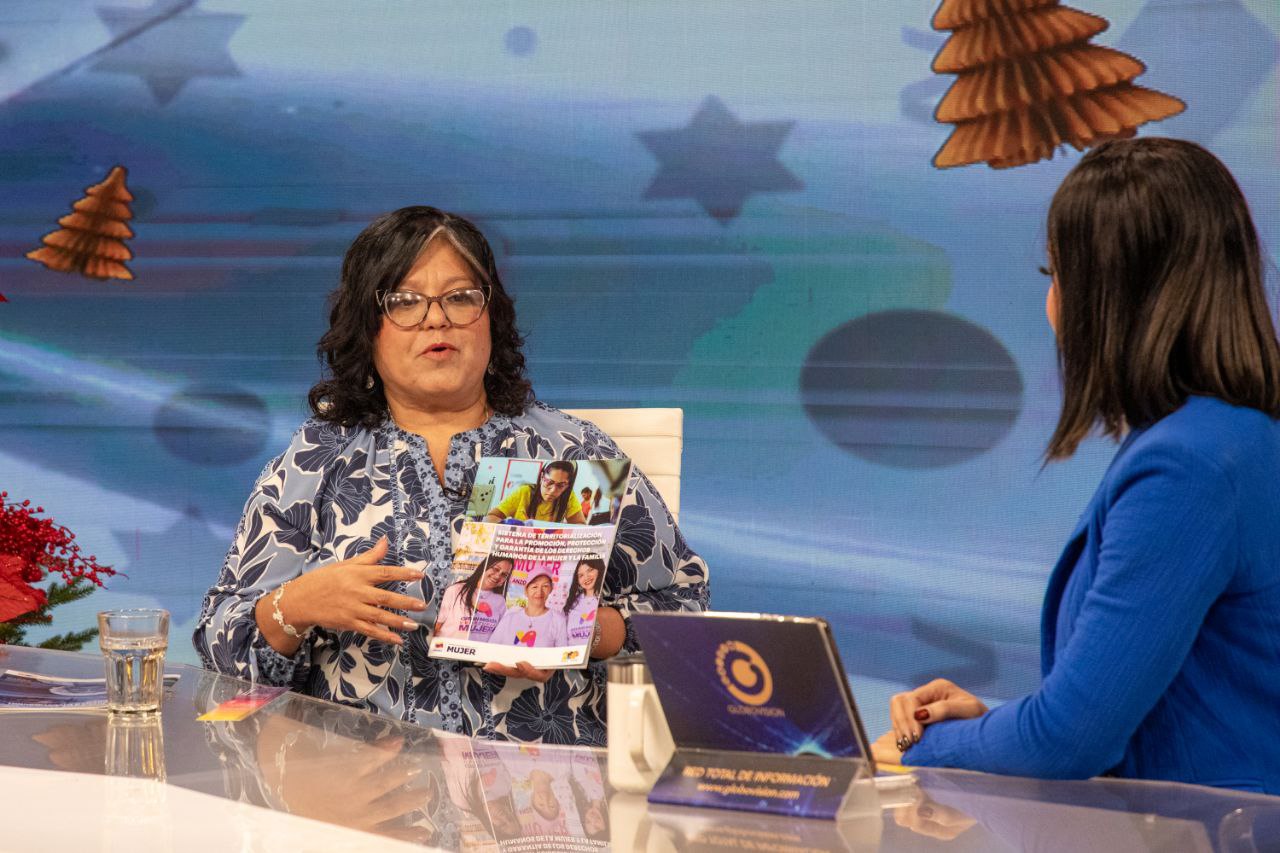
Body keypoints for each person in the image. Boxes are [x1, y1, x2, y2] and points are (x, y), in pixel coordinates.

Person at [194, 206, 709, 742]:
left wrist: (578, 628)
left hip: (544, 795)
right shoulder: (315, 462)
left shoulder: (573, 452)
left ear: (493, 318)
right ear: (366, 331)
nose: (436, 318)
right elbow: (218, 651)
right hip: (361, 796)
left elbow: (685, 614)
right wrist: (299, 606)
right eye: (405, 301)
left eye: (460, 297)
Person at [875, 139, 1280, 793]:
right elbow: (1118, 716)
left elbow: (1068, 740)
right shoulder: (1232, 437)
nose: (1052, 305)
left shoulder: (1189, 466)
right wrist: (990, 726)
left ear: (1110, 294)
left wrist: (916, 747)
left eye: (1056, 276)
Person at [433, 555, 512, 642]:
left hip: (479, 653)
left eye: (504, 574)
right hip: (447, 651)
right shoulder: (455, 590)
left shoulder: (500, 601)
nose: (497, 576)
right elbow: (437, 627)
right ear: (484, 567)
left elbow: (500, 635)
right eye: (495, 569)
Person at [483, 461, 586, 524]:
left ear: (567, 486)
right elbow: (489, 518)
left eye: (561, 485)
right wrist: (504, 524)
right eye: (549, 482)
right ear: (541, 477)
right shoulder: (524, 492)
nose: (553, 490)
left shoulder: (568, 496)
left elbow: (581, 526)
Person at [489, 571, 568, 650]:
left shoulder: (558, 620)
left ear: (550, 590)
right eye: (534, 587)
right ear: (526, 591)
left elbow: (561, 655)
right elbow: (491, 648)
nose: (539, 592)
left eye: (545, 586)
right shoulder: (509, 618)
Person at [563, 557, 604, 645]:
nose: (586, 577)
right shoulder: (572, 603)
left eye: (590, 570)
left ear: (599, 570)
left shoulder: (606, 599)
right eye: (581, 575)